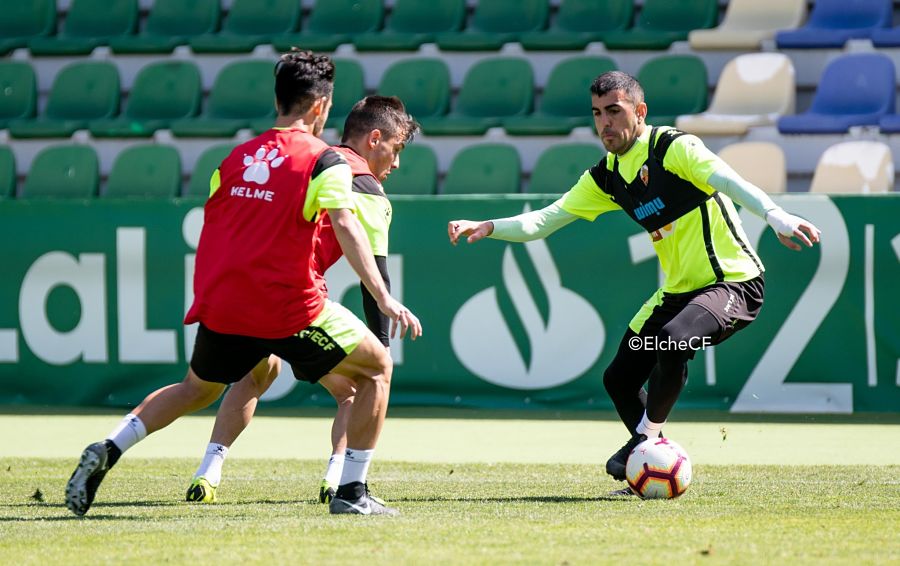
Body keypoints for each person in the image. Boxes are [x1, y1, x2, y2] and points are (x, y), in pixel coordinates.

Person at [65, 50, 421, 518]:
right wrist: (383, 297)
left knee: (197, 387)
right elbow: (346, 224)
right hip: (288, 304)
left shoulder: (235, 157)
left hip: (224, 302)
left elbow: (216, 224)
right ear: (320, 108)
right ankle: (351, 492)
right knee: (375, 368)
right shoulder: (327, 161)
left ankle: (111, 446)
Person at [447, 71, 820, 493]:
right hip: (679, 291)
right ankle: (650, 459)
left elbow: (728, 180)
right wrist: (490, 226)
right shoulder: (606, 177)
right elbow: (544, 220)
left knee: (672, 341)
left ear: (639, 112)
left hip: (733, 284)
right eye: (596, 114)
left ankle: (642, 442)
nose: (604, 123)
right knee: (619, 378)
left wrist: (776, 216)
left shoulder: (672, 148)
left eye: (614, 111)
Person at [183, 95, 419, 506]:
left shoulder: (314, 161)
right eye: (396, 150)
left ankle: (208, 472)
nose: (396, 163)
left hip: (249, 292)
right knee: (357, 386)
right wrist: (381, 347)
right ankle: (340, 483)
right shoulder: (367, 188)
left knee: (254, 375)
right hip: (298, 303)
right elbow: (374, 275)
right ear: (374, 139)